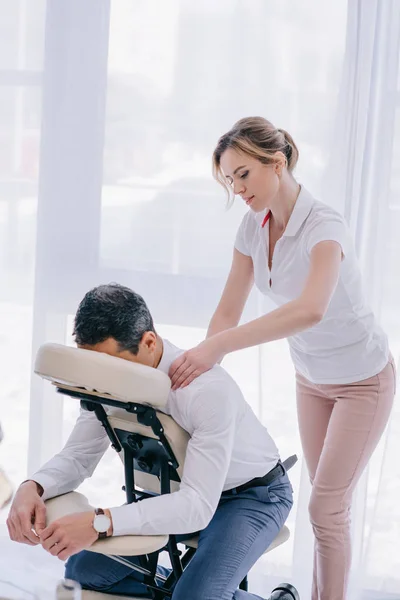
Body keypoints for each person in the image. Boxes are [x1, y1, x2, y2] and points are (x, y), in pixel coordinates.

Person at [168, 117, 396, 600]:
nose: (238, 189)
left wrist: (218, 348)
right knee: (328, 509)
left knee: (326, 509)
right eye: (230, 180)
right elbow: (227, 311)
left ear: (277, 162)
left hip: (363, 382)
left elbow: (310, 308)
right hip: (311, 379)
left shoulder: (325, 226)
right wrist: (200, 375)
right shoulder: (253, 229)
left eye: (244, 174)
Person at [7, 283, 293, 600]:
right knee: (83, 572)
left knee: (193, 598)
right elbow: (78, 456)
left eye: (109, 364)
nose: (100, 377)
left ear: (149, 342)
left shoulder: (207, 391)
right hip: (178, 492)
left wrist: (101, 521)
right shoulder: (107, 378)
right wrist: (32, 486)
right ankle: (185, 586)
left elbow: (197, 506)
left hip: (251, 496)